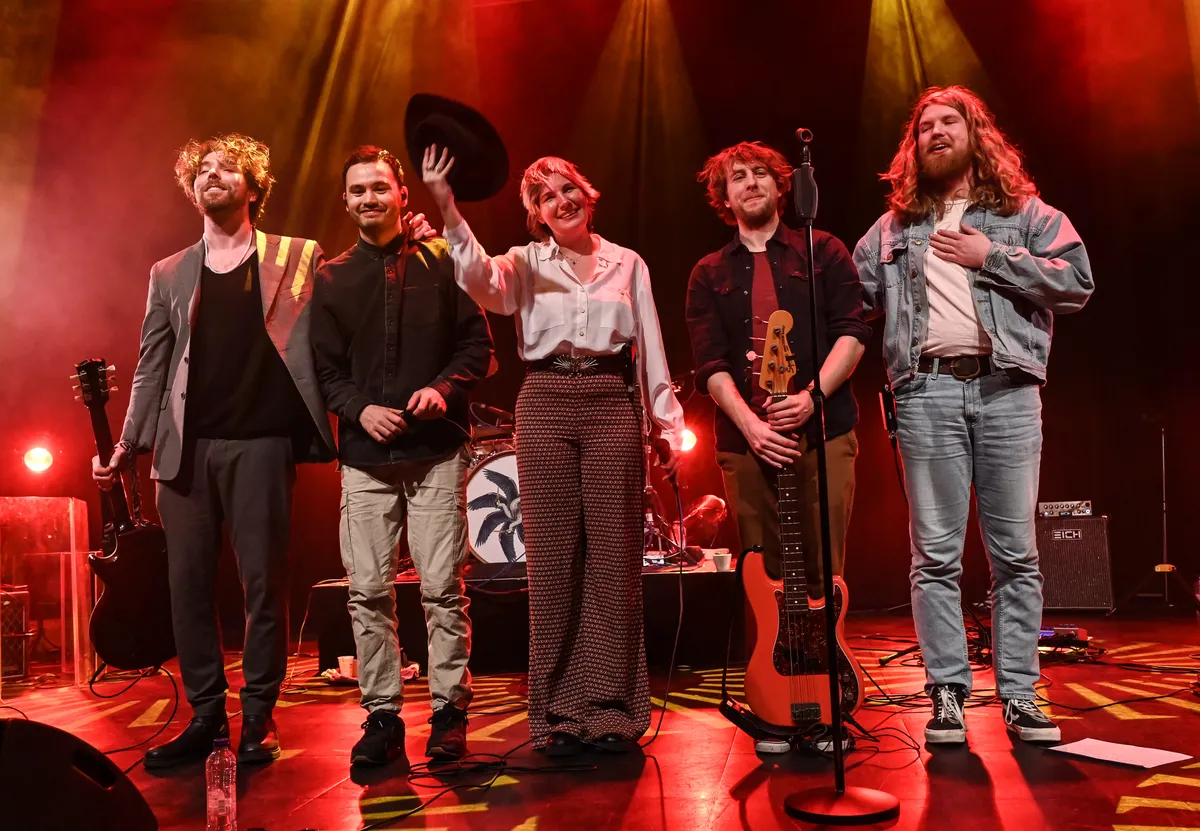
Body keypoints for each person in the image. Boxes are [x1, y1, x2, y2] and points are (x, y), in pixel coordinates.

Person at [422, 145, 685, 756]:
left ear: (587, 196)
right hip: (545, 399)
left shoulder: (628, 263)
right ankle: (560, 713)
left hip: (611, 401)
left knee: (615, 559)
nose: (561, 201)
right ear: (536, 213)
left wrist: (667, 427)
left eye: (568, 189)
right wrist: (446, 205)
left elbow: (650, 346)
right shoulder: (524, 262)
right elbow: (480, 281)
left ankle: (612, 709)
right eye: (546, 196)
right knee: (554, 561)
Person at [853, 86, 1094, 744]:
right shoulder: (892, 228)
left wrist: (993, 257)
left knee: (1016, 554)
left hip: (1007, 390)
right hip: (926, 392)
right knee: (934, 554)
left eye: (948, 122)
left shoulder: (1024, 213)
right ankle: (948, 693)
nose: (935, 132)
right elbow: (848, 301)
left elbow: (1077, 282)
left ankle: (1019, 693)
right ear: (913, 146)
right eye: (924, 126)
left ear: (974, 133)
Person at [92, 133, 337, 768]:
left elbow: (343, 315)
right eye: (203, 170)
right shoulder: (169, 271)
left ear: (254, 187)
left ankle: (258, 713)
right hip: (184, 450)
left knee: (263, 585)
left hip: (262, 442)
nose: (213, 176)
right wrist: (128, 442)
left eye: (228, 168)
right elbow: (151, 365)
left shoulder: (298, 255)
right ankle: (206, 715)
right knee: (187, 587)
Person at [685, 140, 869, 754]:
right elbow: (710, 363)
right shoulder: (708, 272)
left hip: (824, 430)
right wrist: (751, 425)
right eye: (737, 177)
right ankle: (775, 702)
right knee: (763, 572)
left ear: (781, 184)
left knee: (823, 570)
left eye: (760, 172)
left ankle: (824, 703)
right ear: (724, 195)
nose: (750, 183)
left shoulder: (825, 250)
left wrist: (813, 397)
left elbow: (853, 332)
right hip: (747, 441)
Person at [311, 146, 493, 766]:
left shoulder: (444, 261)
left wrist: (443, 390)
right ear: (346, 201)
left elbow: (477, 348)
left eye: (379, 187)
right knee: (367, 592)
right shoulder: (332, 277)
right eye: (358, 190)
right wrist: (358, 409)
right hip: (365, 456)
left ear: (401, 195)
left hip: (434, 451)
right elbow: (324, 370)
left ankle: (449, 713)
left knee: (442, 589)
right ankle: (383, 717)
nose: (369, 198)